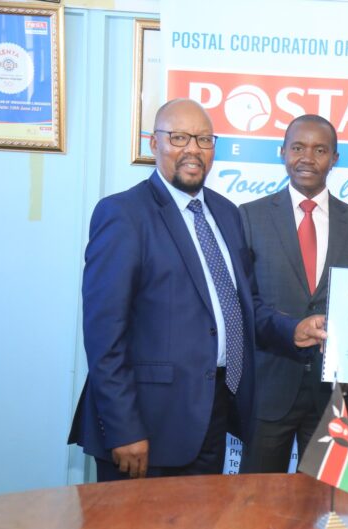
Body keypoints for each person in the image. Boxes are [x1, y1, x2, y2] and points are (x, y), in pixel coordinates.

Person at [68, 99, 326, 481]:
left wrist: (293, 331)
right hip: (146, 427)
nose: (193, 149)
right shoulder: (123, 214)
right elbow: (105, 336)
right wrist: (124, 427)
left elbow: (243, 307)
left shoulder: (225, 212)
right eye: (179, 137)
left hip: (213, 417)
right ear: (154, 144)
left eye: (204, 139)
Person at [238, 114, 348, 473]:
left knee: (323, 510)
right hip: (269, 387)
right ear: (282, 151)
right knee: (257, 502)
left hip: (333, 392)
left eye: (320, 149)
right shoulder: (248, 217)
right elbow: (243, 305)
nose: (307, 157)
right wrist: (291, 329)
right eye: (298, 147)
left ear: (335, 158)